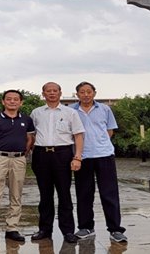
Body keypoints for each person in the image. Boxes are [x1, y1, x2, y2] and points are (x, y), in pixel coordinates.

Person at [70, 81, 128, 244]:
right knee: (84, 193)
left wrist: (99, 143)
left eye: (89, 91)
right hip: (82, 157)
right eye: (82, 92)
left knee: (109, 193)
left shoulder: (104, 109)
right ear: (77, 94)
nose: (86, 95)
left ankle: (115, 229)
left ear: (94, 93)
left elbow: (109, 131)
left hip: (104, 155)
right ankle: (86, 227)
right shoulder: (71, 111)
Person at [30, 82, 85, 244]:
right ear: (43, 94)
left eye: (55, 90)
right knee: (45, 195)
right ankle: (45, 229)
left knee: (64, 194)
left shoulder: (70, 113)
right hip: (41, 155)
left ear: (60, 93)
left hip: (63, 154)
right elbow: (31, 135)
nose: (52, 93)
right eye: (48, 91)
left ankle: (68, 231)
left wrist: (77, 157)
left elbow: (78, 136)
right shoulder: (36, 113)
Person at [0, 89, 36, 246]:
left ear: (21, 102)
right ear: (3, 101)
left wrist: (23, 154)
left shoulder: (26, 119)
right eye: (9, 99)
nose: (12, 101)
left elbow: (30, 139)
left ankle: (12, 228)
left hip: (18, 159)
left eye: (16, 99)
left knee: (16, 194)